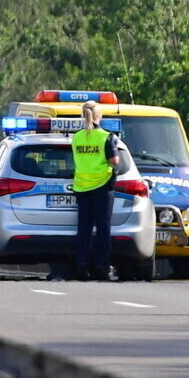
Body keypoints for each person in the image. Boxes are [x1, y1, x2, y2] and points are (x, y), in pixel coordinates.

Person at [72, 100, 120, 281]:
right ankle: (101, 267)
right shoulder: (107, 137)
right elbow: (114, 161)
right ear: (99, 116)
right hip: (102, 186)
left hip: (82, 187)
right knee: (102, 229)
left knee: (83, 229)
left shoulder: (76, 137)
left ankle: (81, 266)